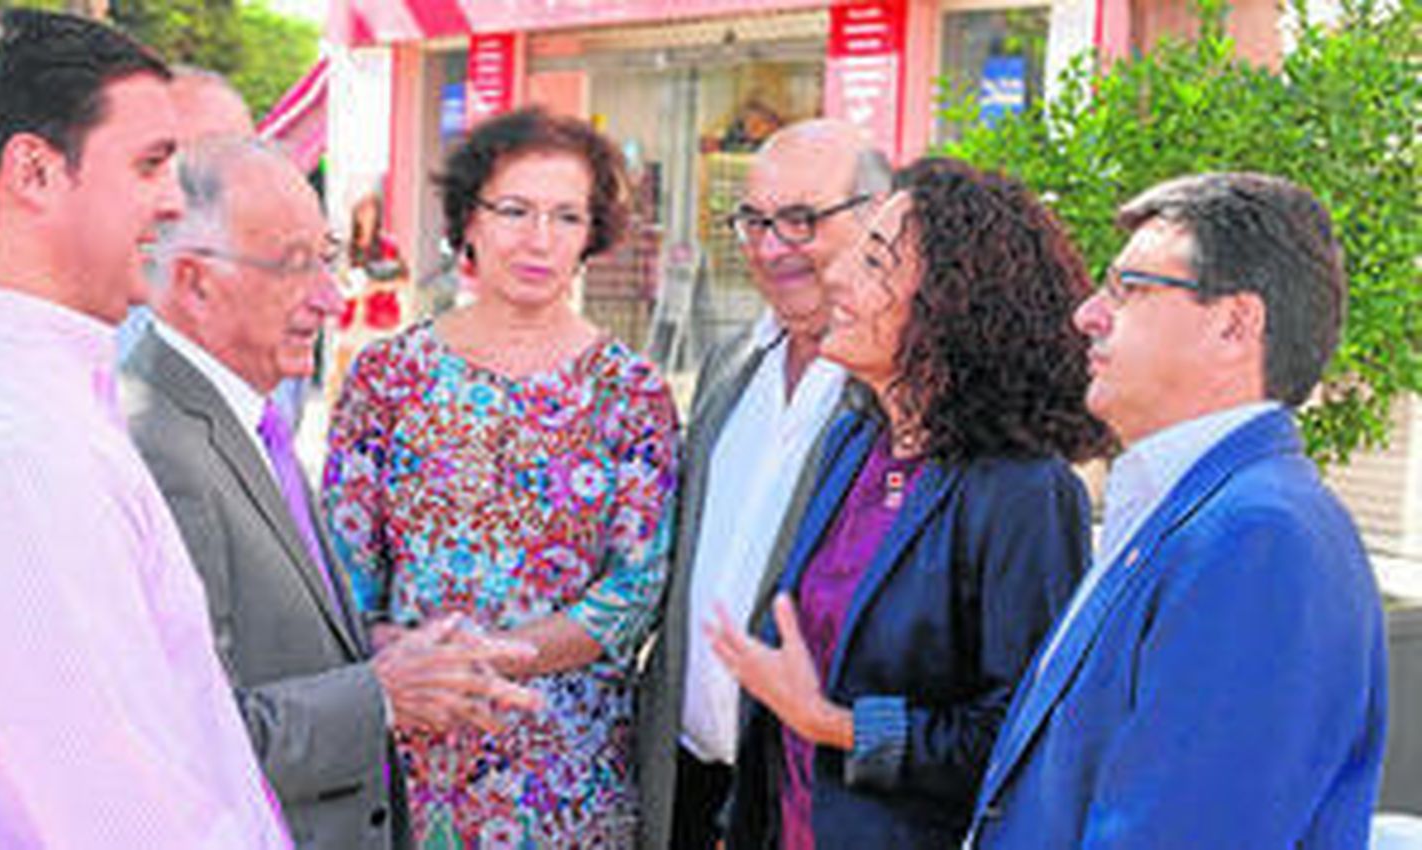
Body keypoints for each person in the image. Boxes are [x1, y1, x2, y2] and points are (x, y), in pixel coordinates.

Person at [0, 10, 289, 847]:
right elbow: (132, 825)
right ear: (34, 172)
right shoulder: (7, 449)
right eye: (151, 163)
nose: (175, 200)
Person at [123, 137, 541, 849]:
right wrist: (384, 693)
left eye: (329, 257)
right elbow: (184, 745)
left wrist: (388, 651)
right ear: (194, 282)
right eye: (294, 265)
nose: (330, 296)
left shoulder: (243, 409)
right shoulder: (158, 442)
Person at [966, 172, 1387, 848]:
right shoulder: (1197, 513)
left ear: (1233, 326)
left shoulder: (1259, 540)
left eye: (1128, 290)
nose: (1087, 315)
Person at [710, 158, 1110, 848]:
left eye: (874, 262)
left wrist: (833, 725)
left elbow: (1021, 733)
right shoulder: (854, 440)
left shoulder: (1023, 492)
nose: (834, 276)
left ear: (954, 299)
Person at [322, 106, 681, 847]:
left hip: (566, 770)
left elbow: (636, 588)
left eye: (566, 216)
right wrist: (414, 664)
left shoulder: (631, 390)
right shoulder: (388, 375)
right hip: (407, 748)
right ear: (469, 221)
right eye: (514, 210)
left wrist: (481, 665)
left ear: (593, 234)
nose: (538, 238)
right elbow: (340, 568)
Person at [635, 119, 884, 850]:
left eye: (802, 220)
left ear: (879, 216)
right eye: (755, 220)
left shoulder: (901, 394)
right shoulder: (731, 364)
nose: (772, 249)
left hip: (804, 797)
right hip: (685, 784)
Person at [116, 65, 255, 363]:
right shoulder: (93, 304)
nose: (229, 173)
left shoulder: (271, 310)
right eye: (203, 153)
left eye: (244, 152)